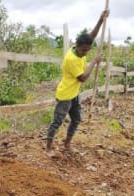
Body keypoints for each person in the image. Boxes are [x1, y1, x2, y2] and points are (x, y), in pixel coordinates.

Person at [45, 9, 110, 157]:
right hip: (65, 95)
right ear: (78, 46)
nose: (85, 53)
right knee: (57, 122)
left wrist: (101, 19)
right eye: (84, 50)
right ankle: (48, 147)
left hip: (74, 94)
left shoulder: (80, 46)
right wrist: (94, 61)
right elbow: (83, 78)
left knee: (76, 119)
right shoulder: (72, 59)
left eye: (88, 50)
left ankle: (67, 144)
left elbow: (91, 36)